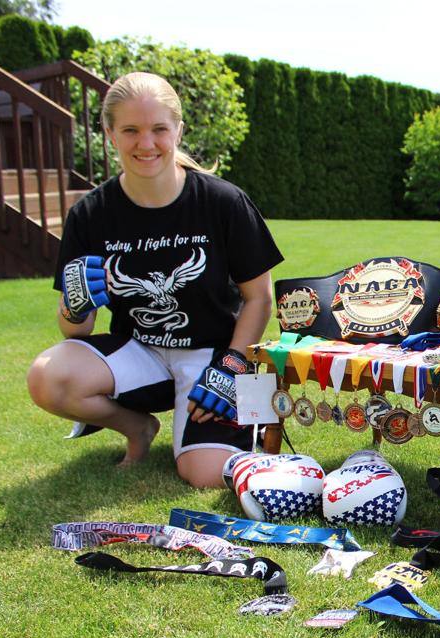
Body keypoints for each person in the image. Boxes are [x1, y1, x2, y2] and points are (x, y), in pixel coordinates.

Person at [27, 71, 282, 488]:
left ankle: (238, 419)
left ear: (178, 130)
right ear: (110, 133)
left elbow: (259, 299)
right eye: (130, 130)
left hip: (212, 355)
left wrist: (233, 366)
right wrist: (74, 304)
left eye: (159, 129)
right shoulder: (90, 213)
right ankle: (138, 428)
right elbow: (76, 330)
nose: (146, 144)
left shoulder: (223, 201)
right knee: (47, 376)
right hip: (140, 355)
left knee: (206, 475)